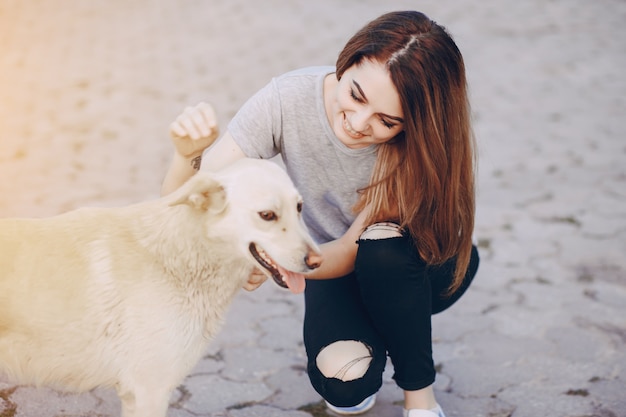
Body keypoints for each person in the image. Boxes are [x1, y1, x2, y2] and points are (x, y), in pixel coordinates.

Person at [161, 10, 480, 417]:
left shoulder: (415, 148)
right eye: (356, 96)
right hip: (336, 267)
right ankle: (382, 332)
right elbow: (188, 208)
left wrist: (282, 260)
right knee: (345, 386)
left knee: (381, 250)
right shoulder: (286, 100)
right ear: (346, 63)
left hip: (423, 268)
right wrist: (186, 155)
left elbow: (352, 249)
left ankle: (421, 399)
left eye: (386, 121)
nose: (359, 123)